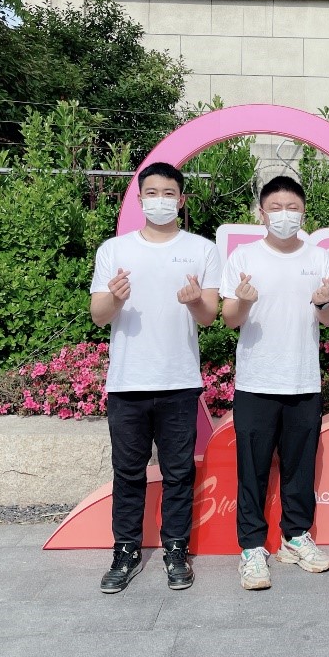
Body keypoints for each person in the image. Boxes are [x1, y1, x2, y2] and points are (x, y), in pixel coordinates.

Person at [90, 161, 221, 593]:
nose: (160, 200)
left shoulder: (202, 249)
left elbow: (209, 315)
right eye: (152, 193)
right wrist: (115, 298)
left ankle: (176, 550)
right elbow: (98, 315)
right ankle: (125, 551)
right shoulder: (114, 250)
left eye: (168, 194)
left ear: (181, 200)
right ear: (139, 198)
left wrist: (194, 301)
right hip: (127, 383)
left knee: (179, 472)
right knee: (128, 472)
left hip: (178, 381)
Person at [220, 175, 329, 591]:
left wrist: (323, 303)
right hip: (256, 381)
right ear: (261, 213)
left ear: (303, 212)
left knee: (299, 468)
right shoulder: (244, 257)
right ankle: (252, 549)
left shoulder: (320, 258)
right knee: (252, 470)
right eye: (275, 207)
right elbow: (229, 319)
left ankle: (295, 537)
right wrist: (243, 301)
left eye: (292, 207)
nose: (284, 214)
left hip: (302, 380)